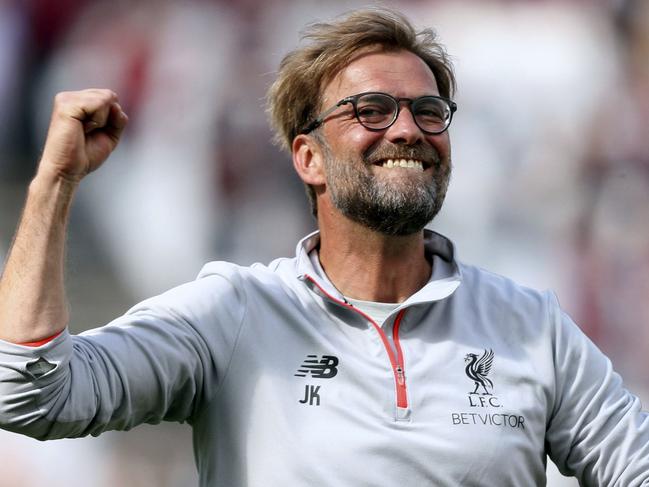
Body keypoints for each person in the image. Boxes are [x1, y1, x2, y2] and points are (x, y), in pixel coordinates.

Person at [0, 7, 647, 486]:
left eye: (428, 111)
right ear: (307, 157)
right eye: (370, 110)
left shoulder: (529, 325)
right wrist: (54, 183)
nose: (406, 130)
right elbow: (27, 393)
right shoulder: (232, 312)